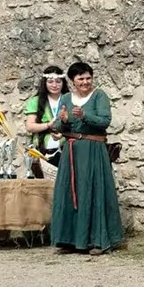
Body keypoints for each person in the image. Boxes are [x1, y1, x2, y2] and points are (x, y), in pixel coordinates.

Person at [49, 62, 123, 255]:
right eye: (80, 78)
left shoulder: (99, 96)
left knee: (93, 191)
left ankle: (97, 240)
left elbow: (105, 120)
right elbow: (58, 125)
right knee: (69, 192)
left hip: (93, 150)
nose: (85, 82)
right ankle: (70, 240)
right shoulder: (66, 97)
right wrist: (62, 121)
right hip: (72, 152)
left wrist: (84, 115)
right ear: (73, 81)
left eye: (88, 78)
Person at [23, 65, 68, 175]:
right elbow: (30, 126)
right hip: (42, 151)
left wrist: (63, 133)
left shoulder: (69, 99)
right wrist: (48, 125)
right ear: (45, 83)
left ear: (63, 83)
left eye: (58, 81)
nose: (54, 85)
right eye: (50, 81)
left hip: (66, 150)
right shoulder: (36, 101)